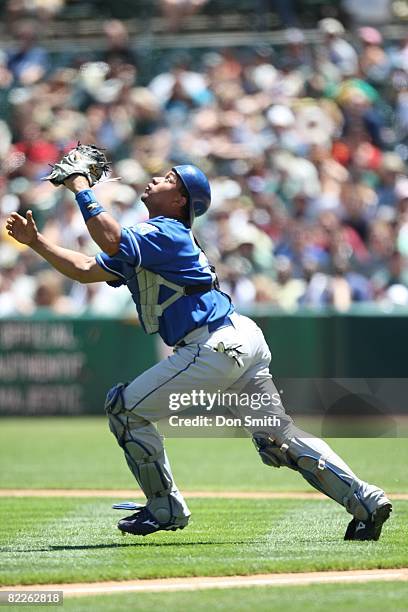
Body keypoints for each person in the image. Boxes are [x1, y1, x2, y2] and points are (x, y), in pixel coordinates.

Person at [6, 164, 392, 540]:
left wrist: (80, 189)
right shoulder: (154, 240)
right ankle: (366, 499)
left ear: (180, 201)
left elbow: (108, 239)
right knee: (278, 436)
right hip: (238, 338)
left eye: (170, 179)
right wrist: (37, 242)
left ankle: (164, 508)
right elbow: (87, 267)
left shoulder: (167, 231)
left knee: (125, 409)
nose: (157, 178)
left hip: (213, 345)